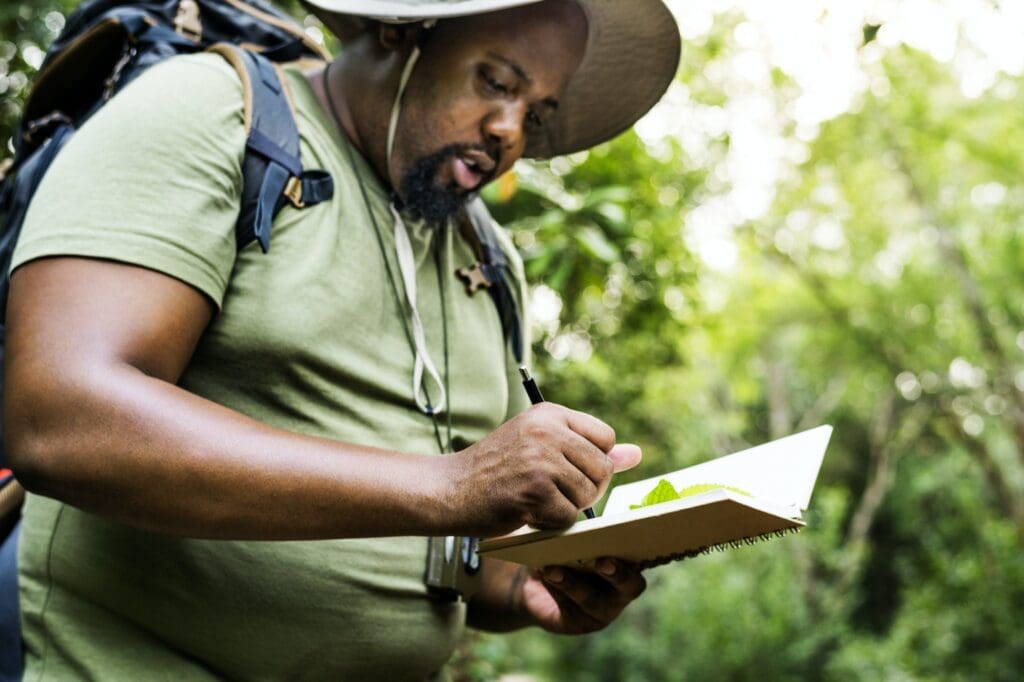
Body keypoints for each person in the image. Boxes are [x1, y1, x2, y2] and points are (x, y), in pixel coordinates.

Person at [3, 0, 680, 678]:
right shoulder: (216, 112)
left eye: (537, 114)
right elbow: (58, 417)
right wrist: (451, 484)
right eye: (497, 83)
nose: (510, 132)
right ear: (401, 29)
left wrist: (524, 585)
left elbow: (467, 542)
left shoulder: (487, 255)